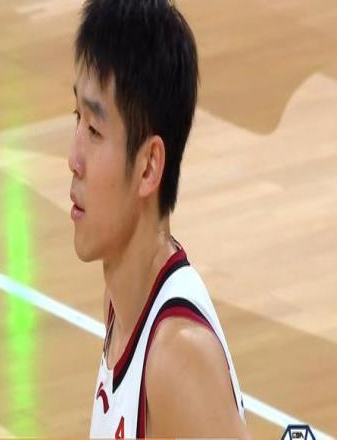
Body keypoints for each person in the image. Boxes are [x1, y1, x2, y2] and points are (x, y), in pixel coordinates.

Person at [68, 0, 249, 438]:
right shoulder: (121, 302)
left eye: (94, 131)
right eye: (77, 118)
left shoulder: (178, 359)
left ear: (149, 166)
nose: (73, 158)